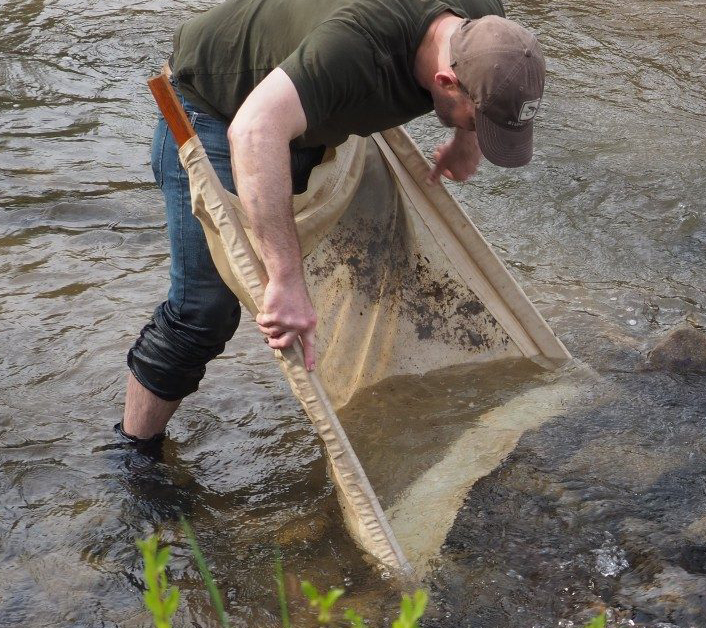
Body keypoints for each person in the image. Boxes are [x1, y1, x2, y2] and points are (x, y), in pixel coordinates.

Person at [119, 0, 546, 450]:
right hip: (218, 112)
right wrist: (285, 279)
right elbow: (253, 131)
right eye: (480, 120)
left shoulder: (488, 28)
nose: (482, 131)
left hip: (303, 107)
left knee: (383, 275)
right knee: (203, 314)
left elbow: (479, 88)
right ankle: (134, 455)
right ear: (445, 82)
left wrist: (466, 135)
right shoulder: (357, 49)